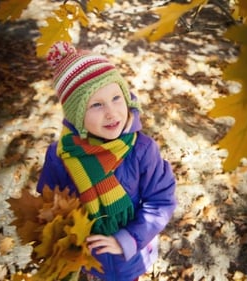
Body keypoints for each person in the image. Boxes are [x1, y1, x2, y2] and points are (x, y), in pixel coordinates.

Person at [36, 41, 177, 281]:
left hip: (130, 254)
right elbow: (50, 201)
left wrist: (126, 239)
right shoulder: (61, 154)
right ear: (77, 117)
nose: (111, 112)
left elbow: (161, 200)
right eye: (96, 105)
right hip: (91, 257)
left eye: (116, 98)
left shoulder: (141, 150)